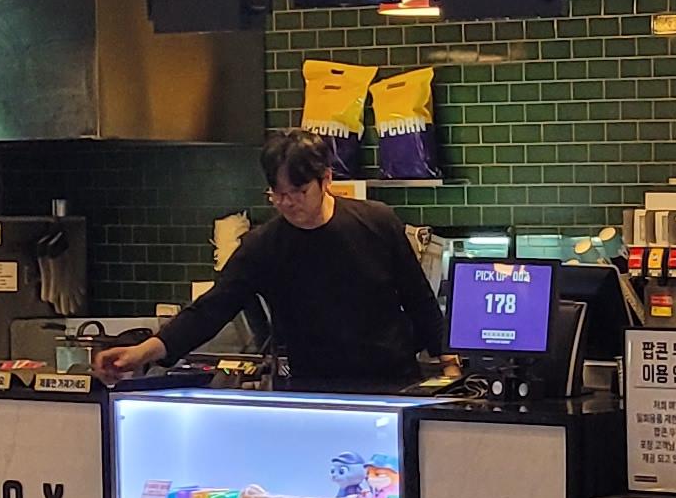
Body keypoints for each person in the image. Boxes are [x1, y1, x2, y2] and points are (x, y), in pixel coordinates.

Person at [95, 130, 448, 388]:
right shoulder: (264, 246)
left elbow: (419, 299)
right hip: (311, 391)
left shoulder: (376, 221)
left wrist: (449, 362)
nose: (287, 203)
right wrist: (143, 352)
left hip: (391, 383)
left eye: (298, 192)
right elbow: (211, 309)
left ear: (326, 179)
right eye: (277, 195)